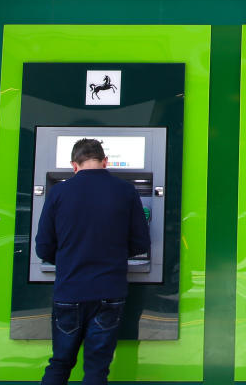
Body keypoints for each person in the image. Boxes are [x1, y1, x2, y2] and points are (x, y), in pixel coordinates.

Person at [35, 138, 151, 385]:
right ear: (105, 161)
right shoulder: (126, 191)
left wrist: (69, 259)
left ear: (73, 165)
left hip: (69, 291)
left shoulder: (58, 192)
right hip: (109, 291)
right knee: (97, 369)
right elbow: (141, 242)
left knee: (61, 363)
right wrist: (113, 255)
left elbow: (43, 247)